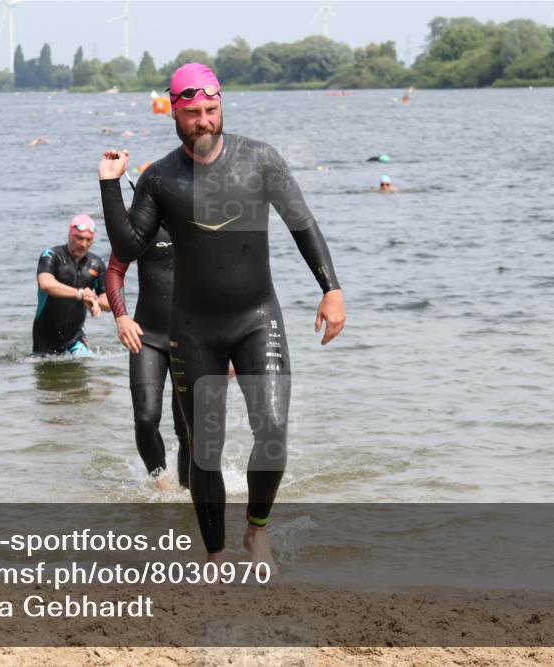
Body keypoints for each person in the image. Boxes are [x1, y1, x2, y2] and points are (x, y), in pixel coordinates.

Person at [98, 63, 346, 569]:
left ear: (222, 107)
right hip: (193, 330)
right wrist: (109, 186)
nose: (204, 121)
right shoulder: (160, 178)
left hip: (257, 317)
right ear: (174, 113)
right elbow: (127, 246)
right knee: (204, 451)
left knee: (272, 429)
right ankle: (215, 554)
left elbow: (302, 223)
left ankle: (257, 529)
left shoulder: (259, 159)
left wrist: (331, 289)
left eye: (212, 111)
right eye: (193, 114)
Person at [106, 230, 190, 491]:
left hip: (193, 337)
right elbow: (114, 271)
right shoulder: (143, 218)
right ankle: (162, 484)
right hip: (147, 337)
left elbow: (224, 278)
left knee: (189, 429)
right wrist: (121, 317)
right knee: (145, 418)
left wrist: (228, 346)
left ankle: (188, 494)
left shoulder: (198, 213)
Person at [33, 215, 110, 356]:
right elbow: (46, 284)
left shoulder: (96, 264)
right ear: (70, 235)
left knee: (87, 362)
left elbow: (108, 302)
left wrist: (94, 301)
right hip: (45, 336)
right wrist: (80, 294)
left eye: (88, 240)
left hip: (75, 337)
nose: (83, 244)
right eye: (79, 238)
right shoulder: (51, 255)